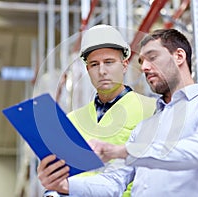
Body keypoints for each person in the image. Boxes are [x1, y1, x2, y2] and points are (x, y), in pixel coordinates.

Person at [38, 28, 198, 197]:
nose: (144, 67)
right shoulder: (145, 127)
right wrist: (64, 185)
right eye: (141, 61)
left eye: (152, 58)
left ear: (179, 56)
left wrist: (122, 151)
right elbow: (113, 182)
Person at [41, 24, 156, 197]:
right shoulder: (72, 120)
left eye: (109, 62)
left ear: (124, 65)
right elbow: (61, 177)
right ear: (87, 69)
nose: (102, 71)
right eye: (94, 64)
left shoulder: (152, 110)